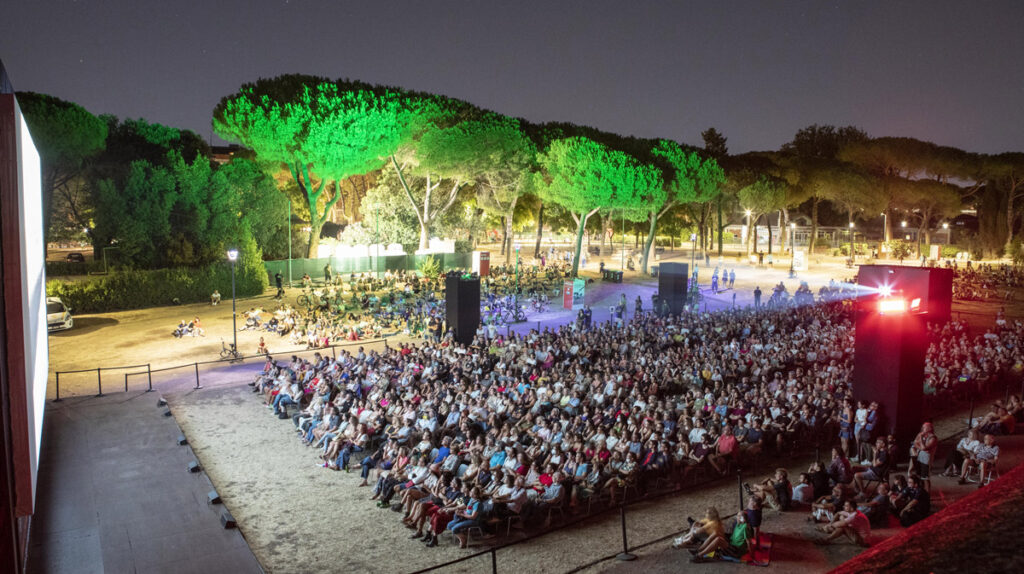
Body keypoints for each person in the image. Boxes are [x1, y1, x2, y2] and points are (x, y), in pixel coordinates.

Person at [910, 421, 938, 492]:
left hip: (926, 460)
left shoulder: (933, 438)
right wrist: (921, 447)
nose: (923, 428)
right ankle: (921, 492)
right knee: (919, 475)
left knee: (925, 477)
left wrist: (921, 440)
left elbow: (924, 448)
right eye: (923, 427)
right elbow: (915, 443)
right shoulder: (920, 434)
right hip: (919, 457)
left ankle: (927, 494)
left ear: (930, 428)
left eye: (925, 427)